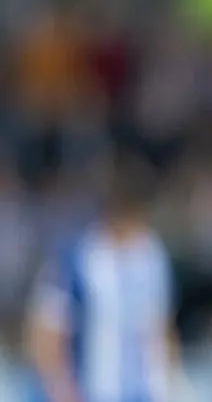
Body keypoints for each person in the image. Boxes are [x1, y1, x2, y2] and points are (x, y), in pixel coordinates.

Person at [25, 152, 180, 402]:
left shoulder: (153, 256)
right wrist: (62, 392)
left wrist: (167, 389)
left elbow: (161, 329)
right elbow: (45, 334)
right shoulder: (75, 258)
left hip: (142, 395)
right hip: (91, 393)